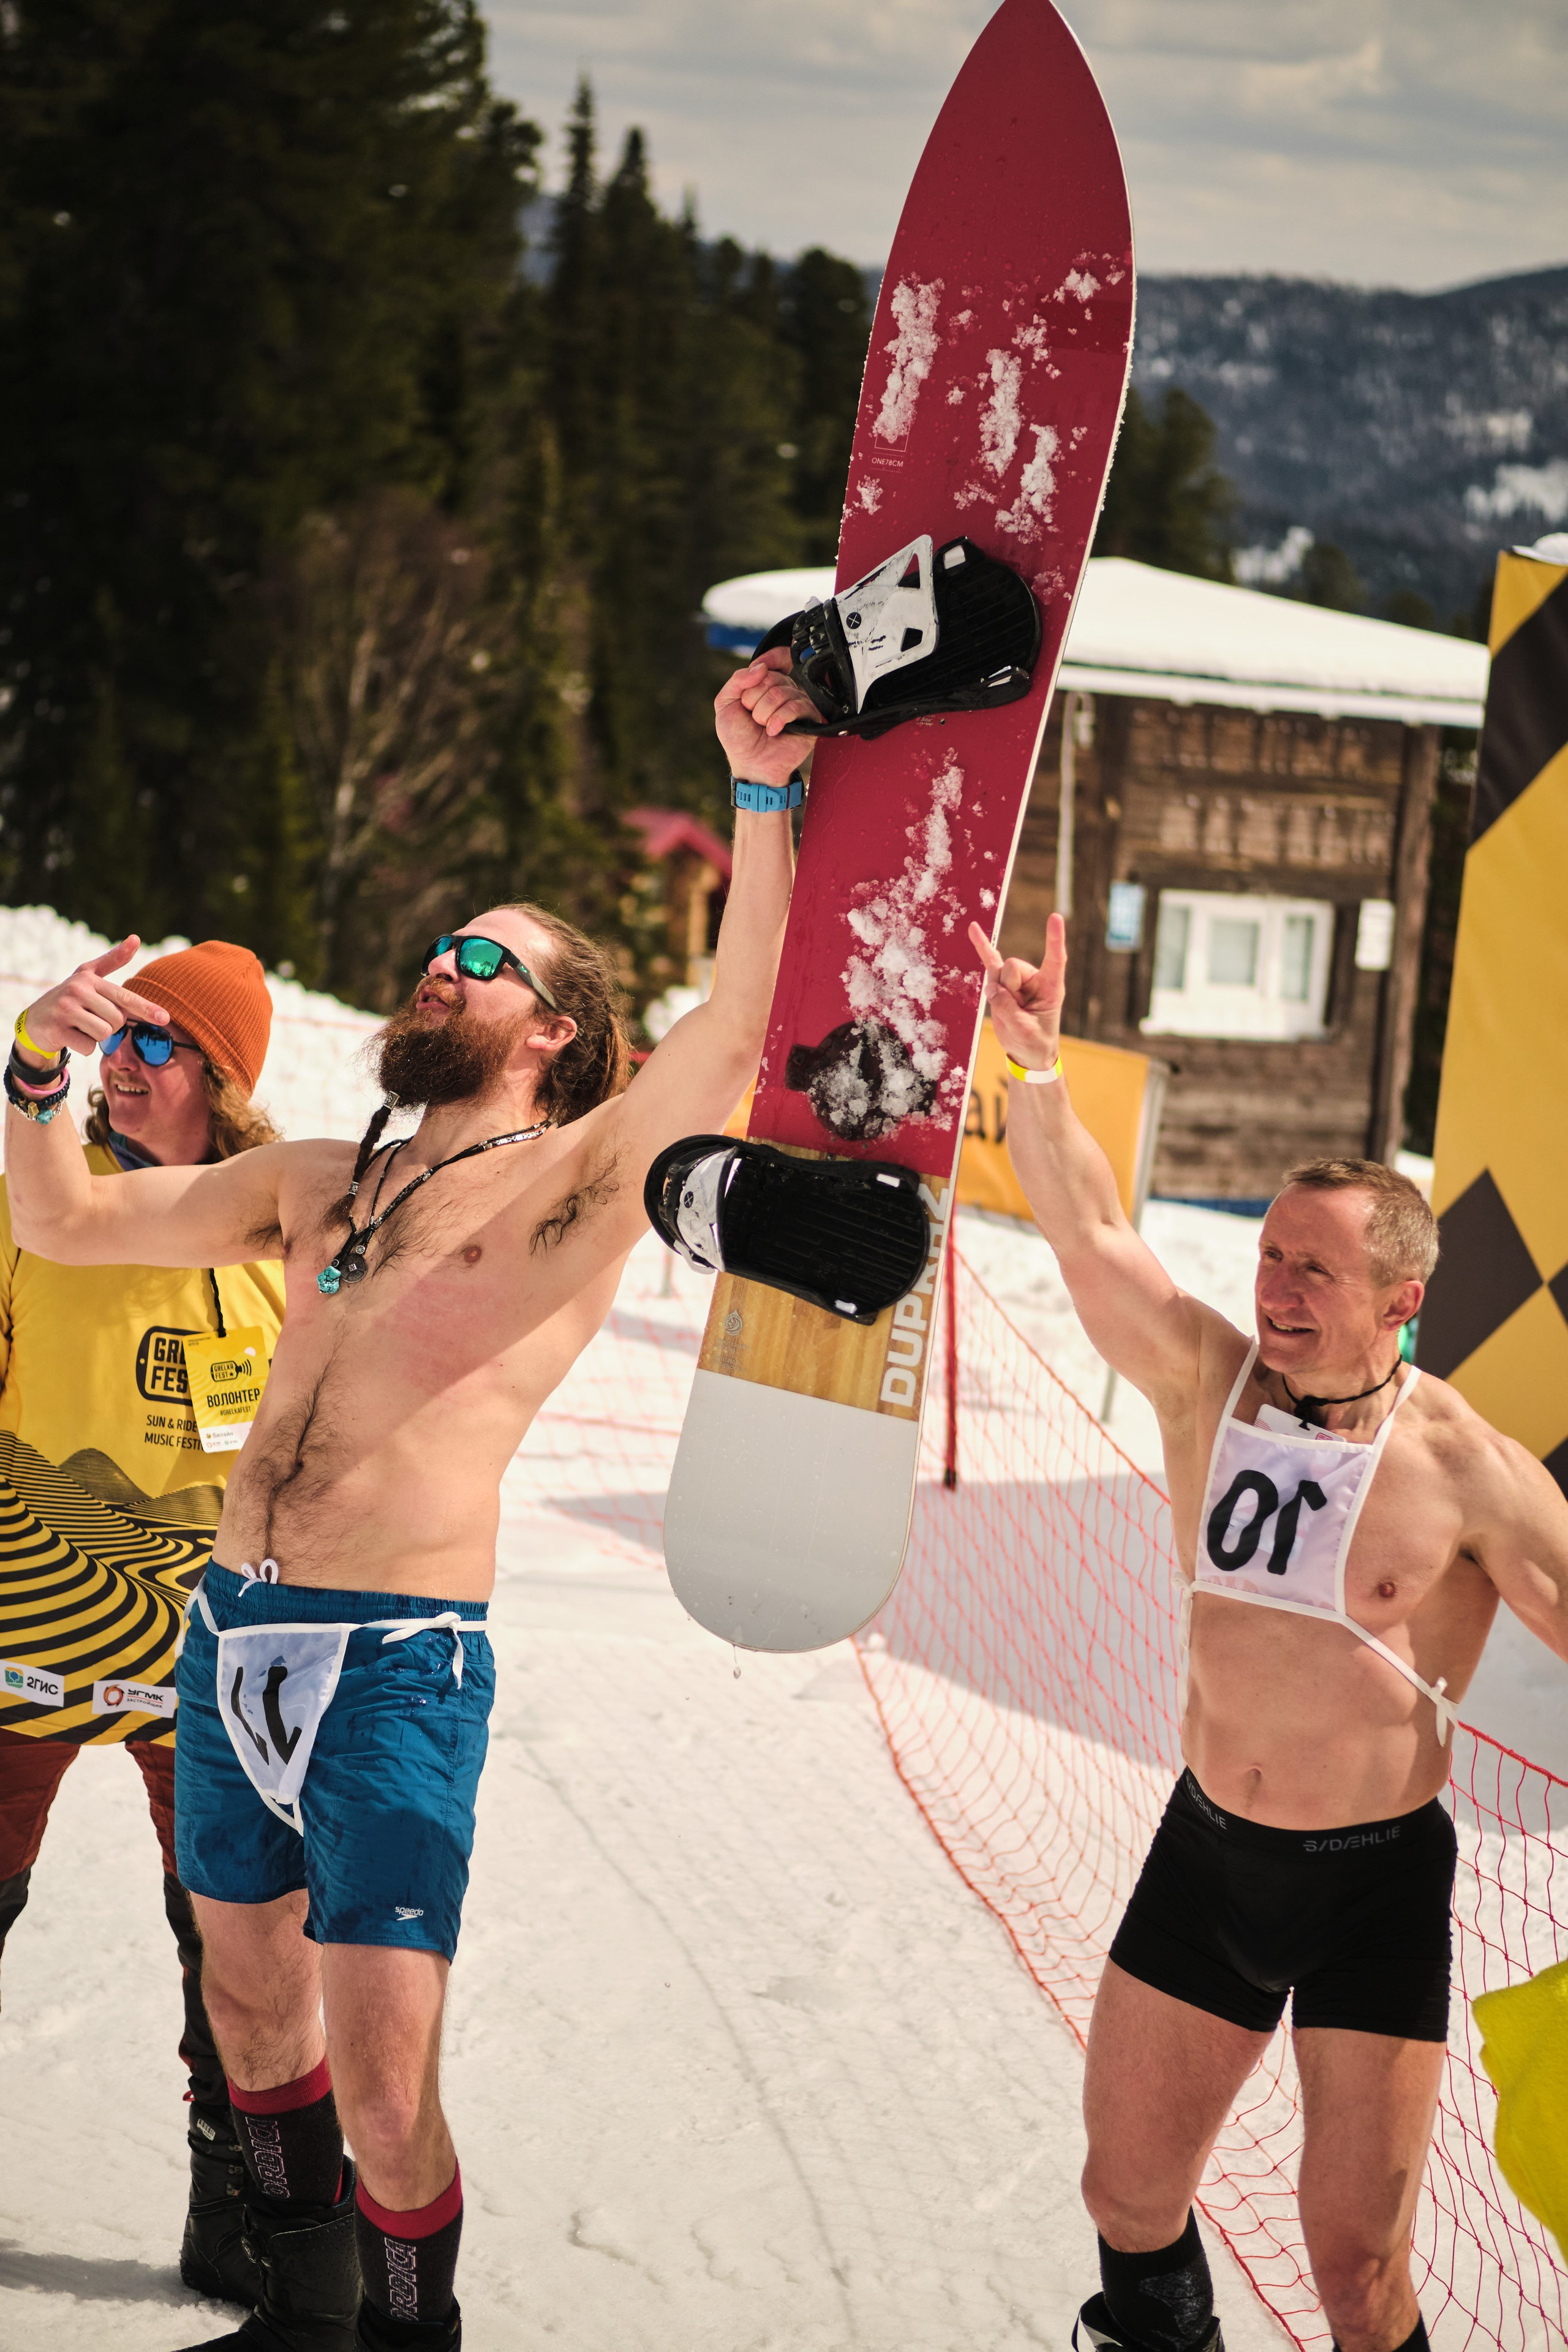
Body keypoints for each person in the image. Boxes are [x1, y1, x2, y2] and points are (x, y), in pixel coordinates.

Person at [4, 645, 814, 2352]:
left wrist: (759, 794)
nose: (443, 966)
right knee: (249, 2020)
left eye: (485, 960)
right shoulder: (321, 1182)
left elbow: (735, 1030)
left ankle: (402, 2337)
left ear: (555, 1031)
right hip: (227, 1636)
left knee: (383, 2084)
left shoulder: (572, 1184)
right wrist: (33, 1077)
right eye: (443, 947)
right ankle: (300, 2317)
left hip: (394, 1656)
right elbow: (64, 1222)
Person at [968, 909, 1568, 2352]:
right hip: (1207, 1856)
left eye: (1313, 1271)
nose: (1274, 1288)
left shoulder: (1469, 1471)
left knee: (1354, 2269)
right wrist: (1033, 1064)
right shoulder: (1204, 1382)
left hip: (1372, 1888)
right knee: (1125, 2195)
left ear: (1400, 1303)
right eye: (1270, 1254)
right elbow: (1088, 1228)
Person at [0, 938, 285, 2307]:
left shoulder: (284, 1229)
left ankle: (234, 2209)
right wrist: (32, 1063)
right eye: (118, 1034)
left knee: (230, 1948)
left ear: (222, 1080)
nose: (125, 1062)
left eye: (158, 1041)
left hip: (209, 1658)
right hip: (19, 1633)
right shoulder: (35, 1200)